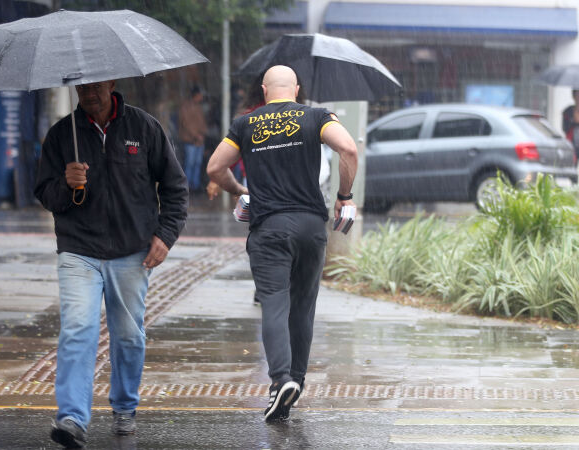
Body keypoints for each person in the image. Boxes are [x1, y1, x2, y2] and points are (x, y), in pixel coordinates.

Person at [34, 80, 188, 448]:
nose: (89, 93)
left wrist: (165, 236)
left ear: (112, 84)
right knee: (77, 328)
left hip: (132, 252)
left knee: (128, 335)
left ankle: (124, 407)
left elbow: (175, 187)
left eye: (96, 86)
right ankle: (72, 417)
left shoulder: (144, 128)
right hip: (78, 251)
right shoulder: (61, 135)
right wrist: (67, 185)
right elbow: (44, 193)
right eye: (81, 87)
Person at [206, 65, 358, 422]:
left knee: (274, 303)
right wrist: (344, 196)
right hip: (310, 227)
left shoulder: (245, 124)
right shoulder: (317, 117)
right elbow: (349, 149)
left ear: (264, 91)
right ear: (296, 89)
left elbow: (215, 168)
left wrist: (241, 190)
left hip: (269, 228)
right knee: (302, 307)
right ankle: (296, 383)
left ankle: (280, 381)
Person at [177, 85, 208, 191]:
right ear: (196, 95)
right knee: (190, 163)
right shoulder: (185, 107)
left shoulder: (198, 107)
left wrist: (202, 134)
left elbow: (202, 122)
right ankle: (187, 186)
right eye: (200, 95)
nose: (202, 97)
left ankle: (195, 185)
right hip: (190, 140)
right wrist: (196, 135)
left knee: (197, 163)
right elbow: (186, 123)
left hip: (199, 140)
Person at [562, 89, 579, 159]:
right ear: (574, 96)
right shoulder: (568, 111)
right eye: (577, 95)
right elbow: (564, 128)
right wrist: (573, 122)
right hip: (572, 143)